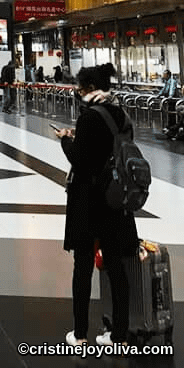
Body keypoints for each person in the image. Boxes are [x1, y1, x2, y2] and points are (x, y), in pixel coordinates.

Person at [54, 64, 139, 348]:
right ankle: (119, 335)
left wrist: (66, 141)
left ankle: (79, 335)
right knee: (116, 267)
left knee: (83, 267)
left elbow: (82, 160)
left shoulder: (89, 117)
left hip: (89, 202)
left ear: (88, 88)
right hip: (115, 200)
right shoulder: (121, 114)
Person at [158, 70, 181, 138]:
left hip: (174, 101)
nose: (163, 76)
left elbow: (172, 88)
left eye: (164, 74)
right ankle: (170, 127)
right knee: (170, 114)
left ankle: (173, 129)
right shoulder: (166, 81)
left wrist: (170, 96)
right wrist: (159, 94)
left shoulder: (172, 81)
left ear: (168, 75)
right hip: (169, 101)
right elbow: (164, 89)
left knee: (173, 114)